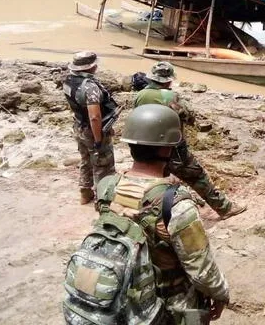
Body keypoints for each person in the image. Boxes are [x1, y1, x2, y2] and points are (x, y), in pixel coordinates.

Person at [96, 104, 229, 323]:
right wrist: (221, 294)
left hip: (121, 293)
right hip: (165, 303)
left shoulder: (107, 186)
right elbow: (201, 269)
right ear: (167, 149)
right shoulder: (176, 203)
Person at [135, 61, 246, 220]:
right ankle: (224, 208)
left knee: (157, 180)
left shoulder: (140, 95)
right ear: (169, 80)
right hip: (171, 148)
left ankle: (152, 214)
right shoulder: (171, 96)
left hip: (146, 147)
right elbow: (189, 116)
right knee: (197, 176)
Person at [63, 51, 117, 204]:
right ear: (91, 67)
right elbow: (95, 116)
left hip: (79, 125)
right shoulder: (90, 87)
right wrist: (99, 139)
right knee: (103, 164)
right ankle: (103, 200)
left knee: (86, 160)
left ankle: (85, 193)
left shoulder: (68, 80)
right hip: (93, 129)